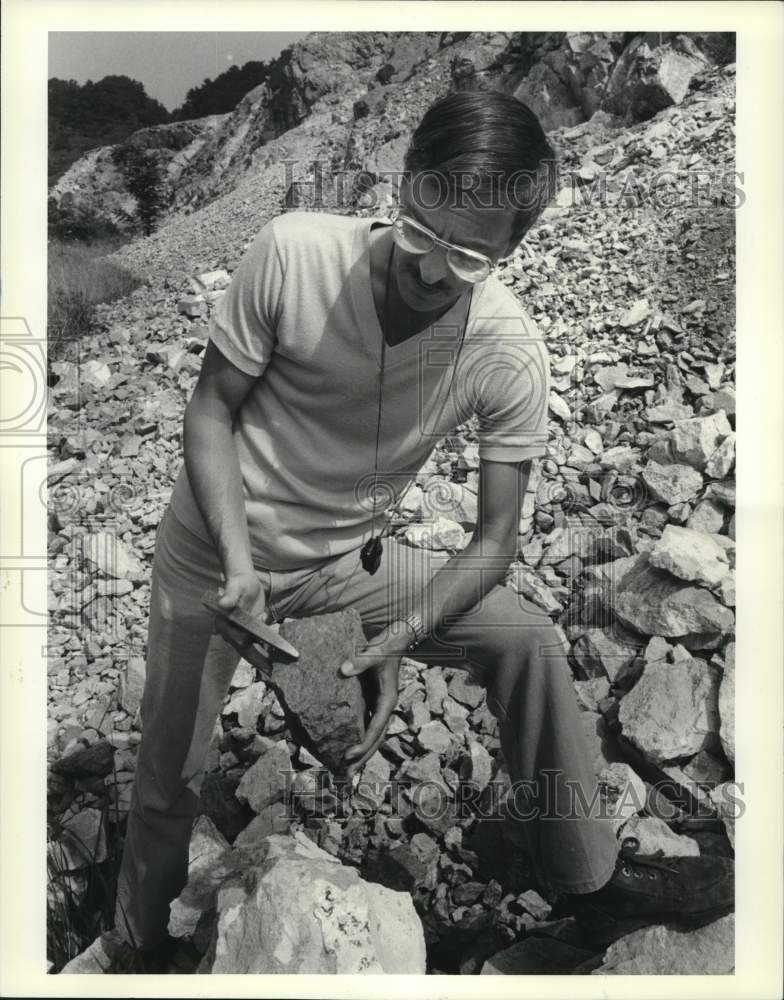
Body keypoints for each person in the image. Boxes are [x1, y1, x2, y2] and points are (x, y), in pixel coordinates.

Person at [95, 90, 733, 972]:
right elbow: (209, 414)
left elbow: (495, 539)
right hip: (214, 552)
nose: (431, 271)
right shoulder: (292, 253)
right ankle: (136, 946)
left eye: (469, 257)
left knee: (527, 637)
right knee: (169, 777)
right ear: (405, 184)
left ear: (513, 248)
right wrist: (238, 566)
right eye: (421, 231)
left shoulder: (508, 353)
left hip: (340, 564)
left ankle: (586, 878)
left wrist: (404, 631)